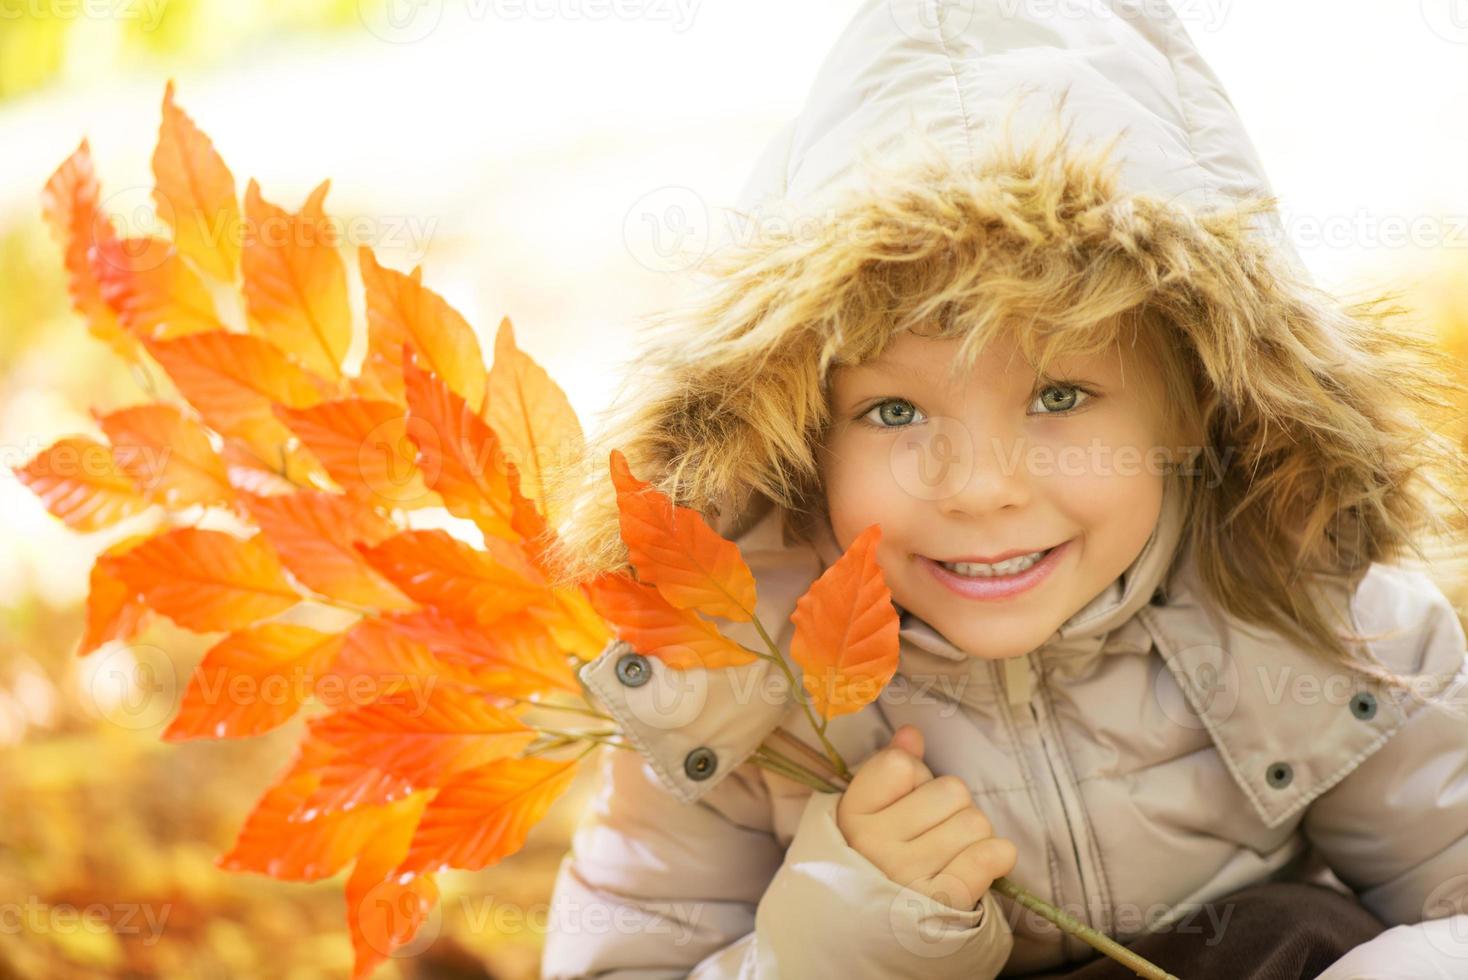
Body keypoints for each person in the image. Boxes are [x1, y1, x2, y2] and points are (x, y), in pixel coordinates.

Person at [536, 1, 1468, 977]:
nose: (979, 487)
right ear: (801, 435)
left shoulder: (1321, 622)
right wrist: (827, 947)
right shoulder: (733, 687)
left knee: (1294, 935)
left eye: (1059, 394)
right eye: (894, 411)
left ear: (1192, 407)